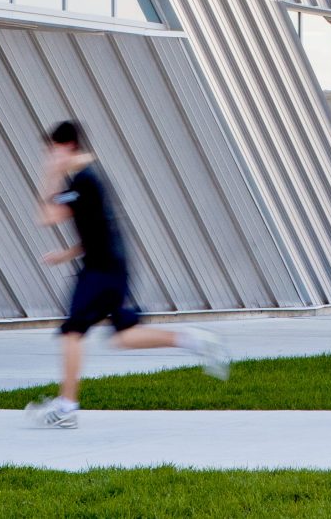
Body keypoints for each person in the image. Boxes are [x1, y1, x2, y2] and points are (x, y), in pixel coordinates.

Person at [22, 120, 228, 429]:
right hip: (111, 267)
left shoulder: (82, 182)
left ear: (66, 147)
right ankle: (195, 340)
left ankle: (66, 408)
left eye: (52, 151)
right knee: (125, 336)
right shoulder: (85, 181)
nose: (50, 157)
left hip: (101, 271)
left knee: (72, 332)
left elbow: (47, 215)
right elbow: (95, 232)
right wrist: (65, 255)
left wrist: (49, 175)